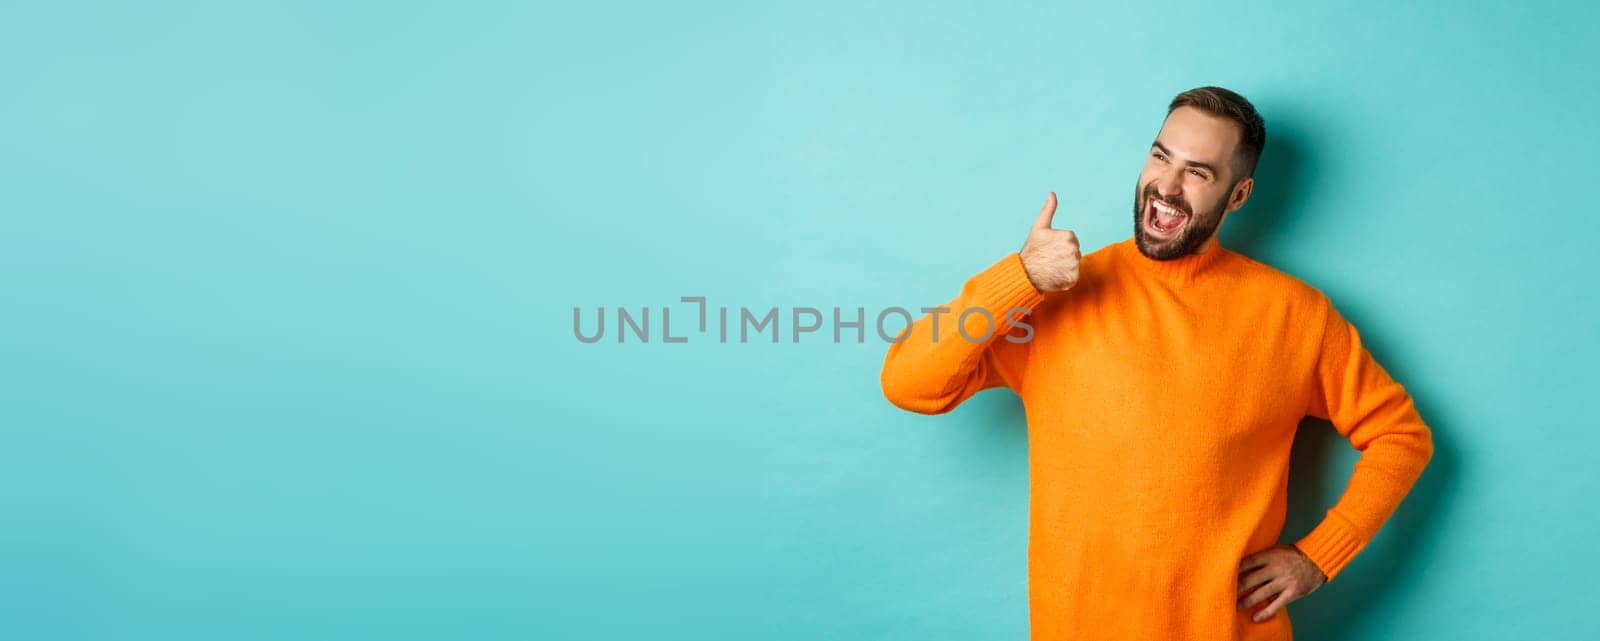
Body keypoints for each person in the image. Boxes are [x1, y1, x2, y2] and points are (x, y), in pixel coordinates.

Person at [879, 86, 1434, 641]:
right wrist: (1017, 279)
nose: (1165, 187)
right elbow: (908, 383)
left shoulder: (1296, 316)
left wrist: (1319, 557)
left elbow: (1399, 435)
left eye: (1198, 172)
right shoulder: (1057, 295)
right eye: (1160, 156)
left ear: (1238, 194)